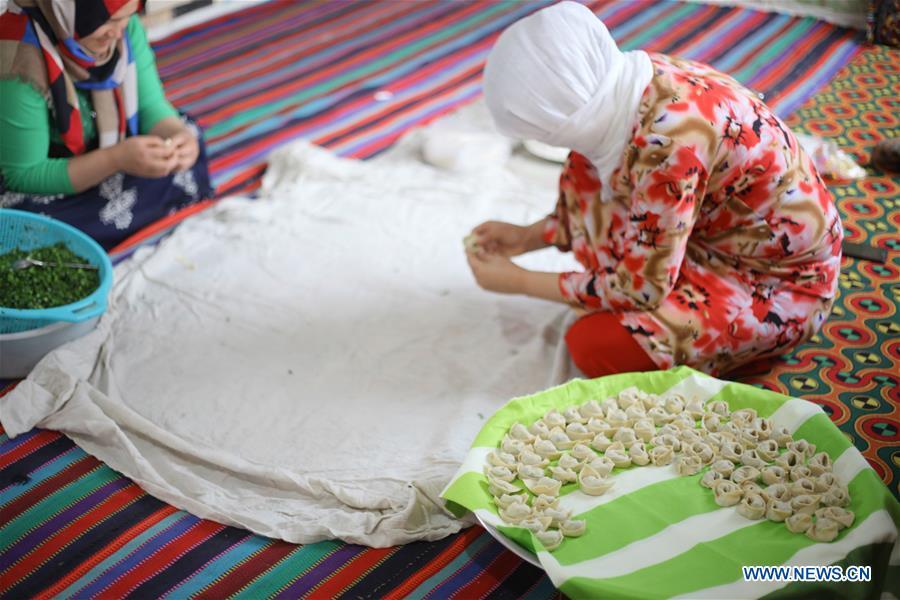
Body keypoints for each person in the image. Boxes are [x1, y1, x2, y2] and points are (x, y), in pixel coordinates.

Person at [466, 1, 842, 378]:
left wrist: (520, 282)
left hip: (780, 284)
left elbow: (640, 291)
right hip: (716, 239)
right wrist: (530, 237)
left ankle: (744, 341)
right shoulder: (630, 82)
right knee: (586, 165)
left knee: (594, 345)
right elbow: (609, 190)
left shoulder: (667, 145)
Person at [0, 0, 211, 250]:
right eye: (107, 20)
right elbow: (24, 174)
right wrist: (114, 160)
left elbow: (150, 105)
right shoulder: (18, 61)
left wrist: (176, 135)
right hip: (41, 169)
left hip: (107, 146)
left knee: (188, 135)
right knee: (25, 225)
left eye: (128, 16)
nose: (118, 30)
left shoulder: (124, 28)